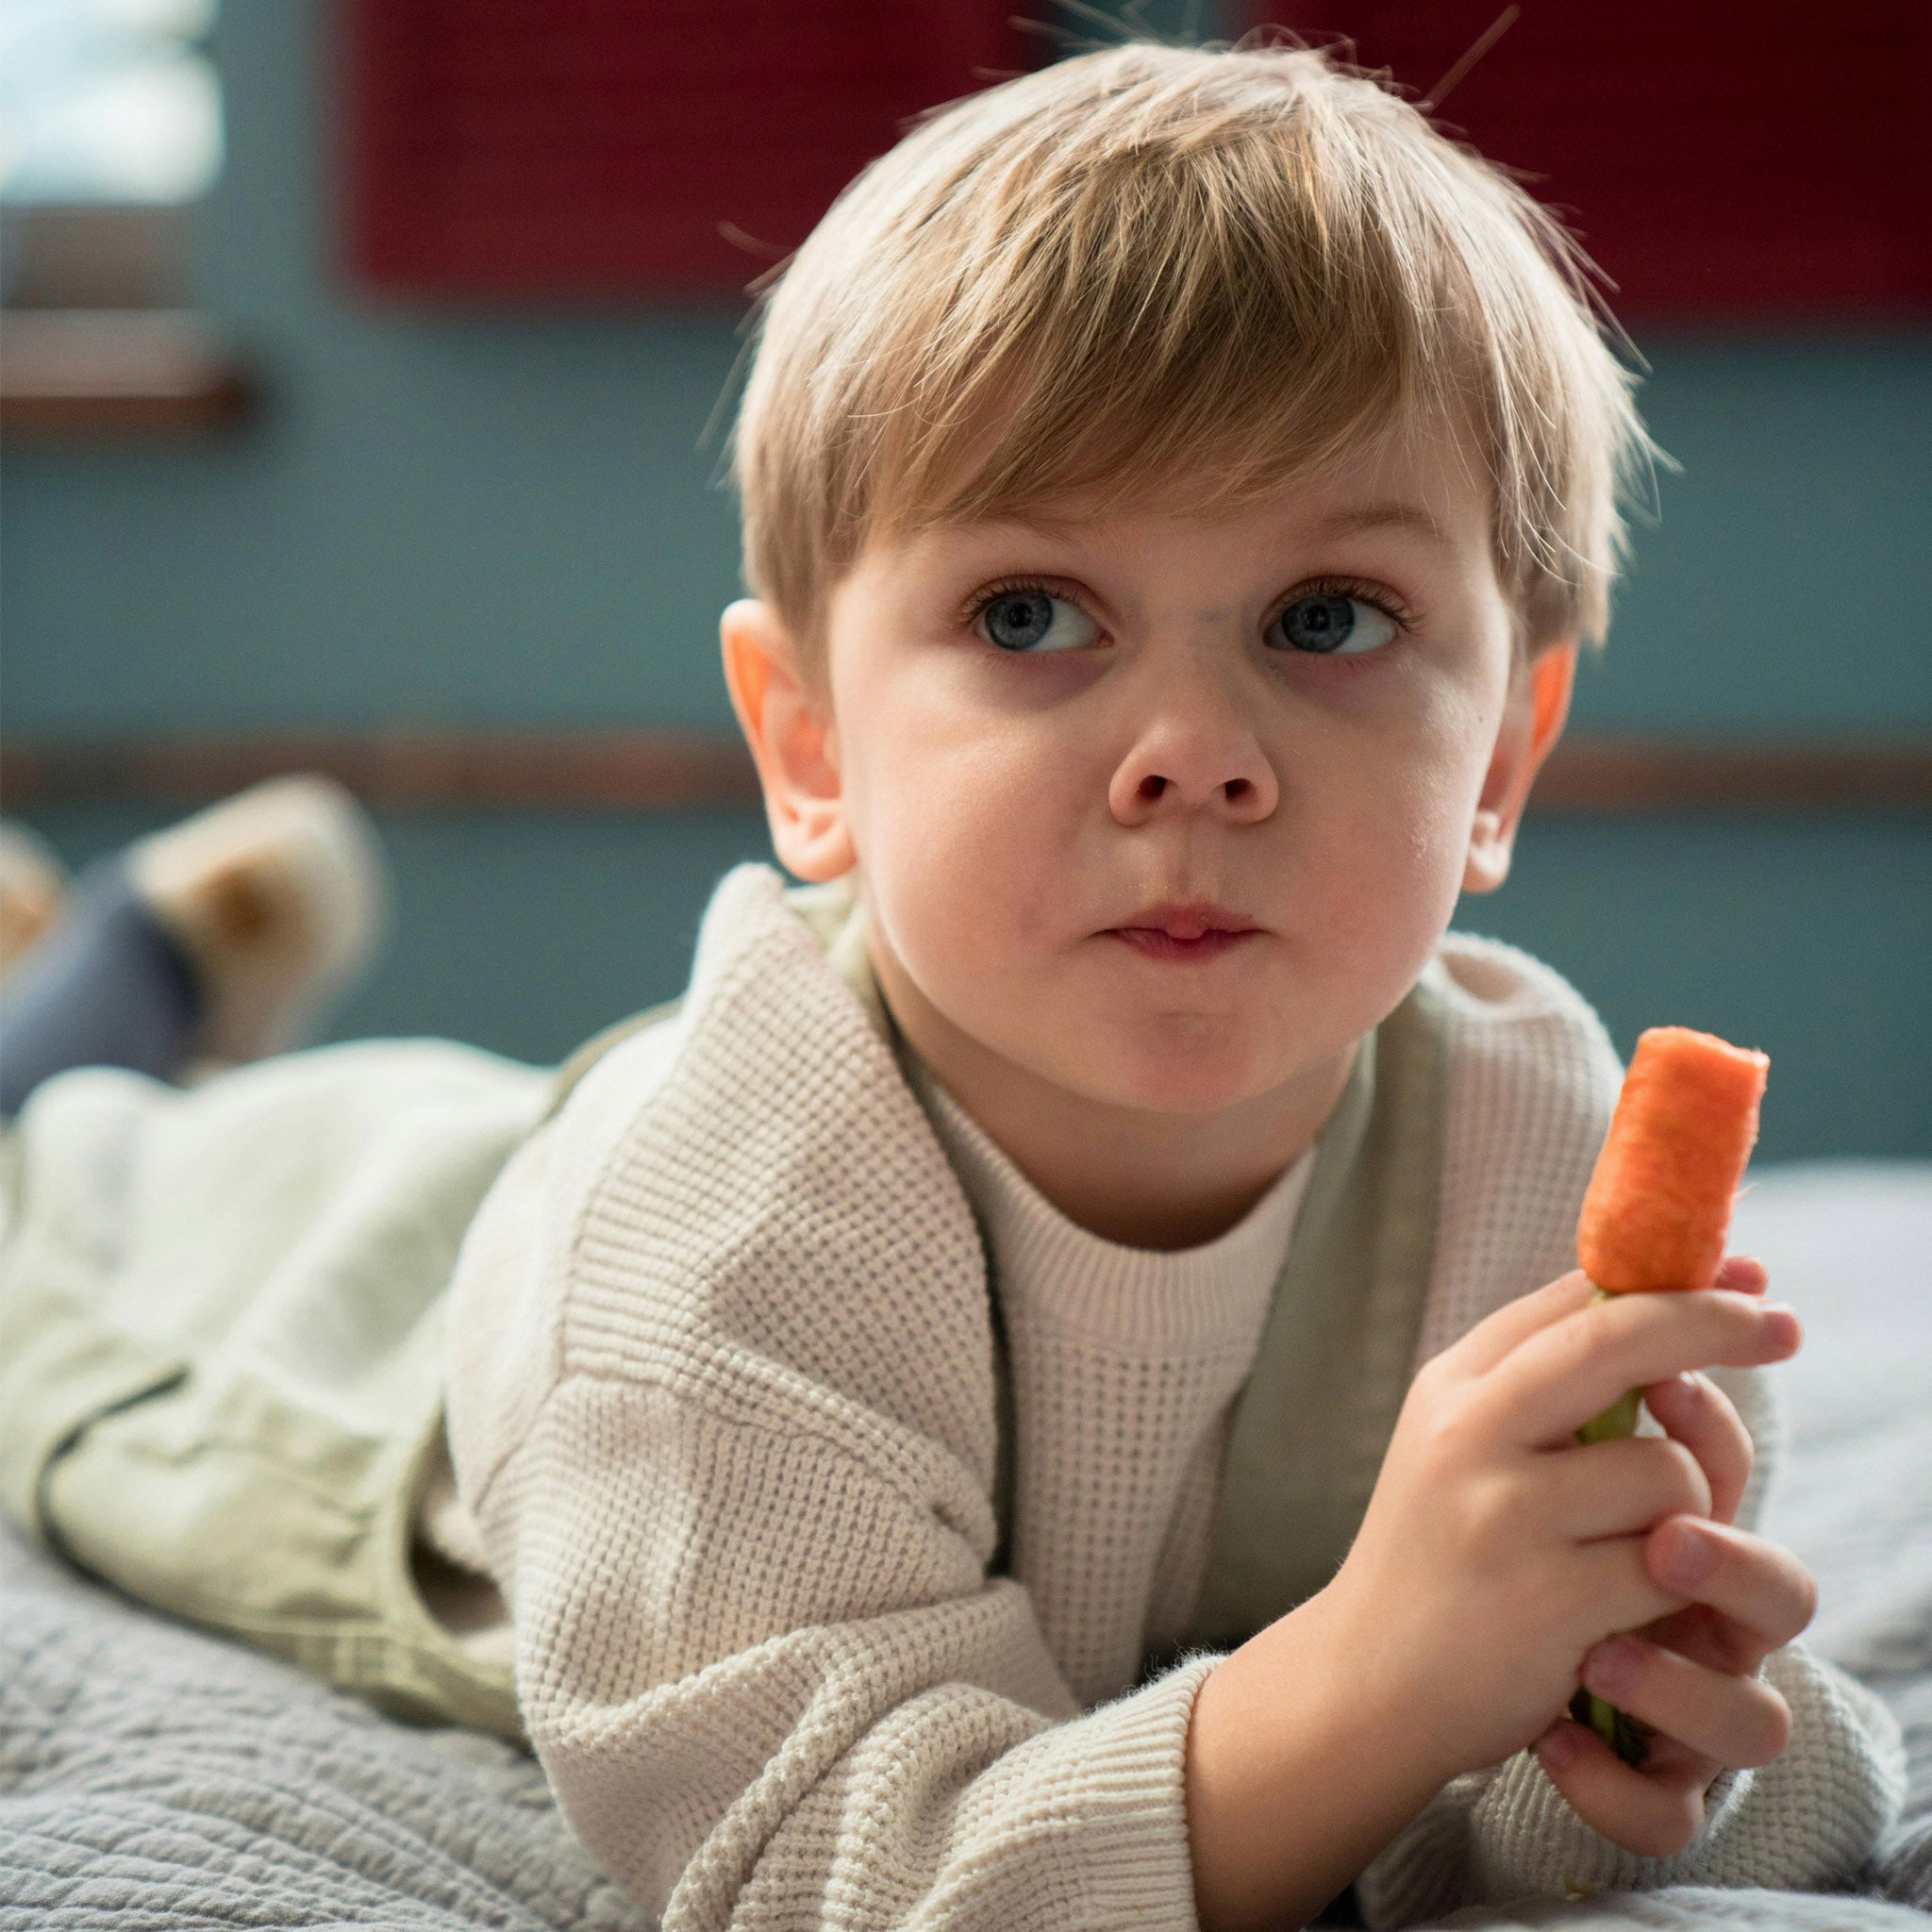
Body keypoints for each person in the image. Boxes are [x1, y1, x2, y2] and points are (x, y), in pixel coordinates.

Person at [0, 39, 1905, 1932]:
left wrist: (1640, 1732)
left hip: (527, 1166)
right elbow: (834, 1864)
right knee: (66, 1163)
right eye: (1029, 616)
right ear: (809, 744)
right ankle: (107, 983)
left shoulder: (1530, 1158)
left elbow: (1649, 1779)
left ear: (1502, 751)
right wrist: (1380, 1679)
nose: (1190, 753)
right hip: (320, 1291)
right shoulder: (695, 1249)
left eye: (1326, 618)